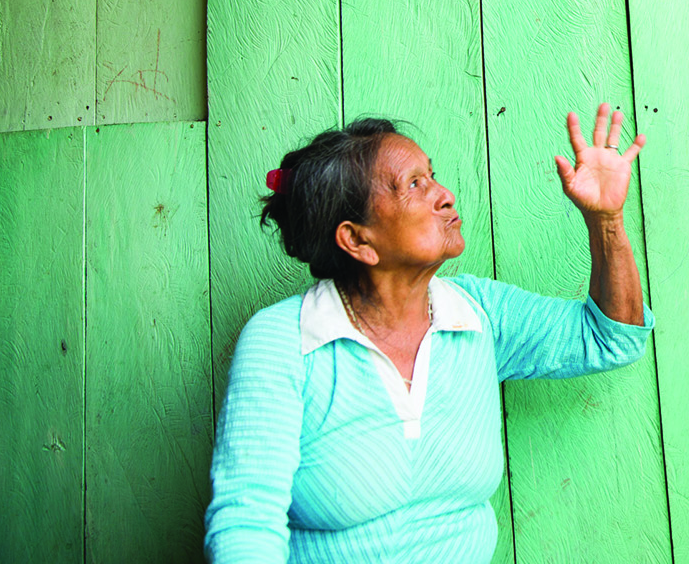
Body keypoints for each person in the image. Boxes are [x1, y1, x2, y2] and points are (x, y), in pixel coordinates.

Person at [204, 103, 653, 563]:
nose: (445, 195)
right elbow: (246, 526)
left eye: (432, 176)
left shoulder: (479, 314)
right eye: (414, 185)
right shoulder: (284, 341)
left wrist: (607, 222)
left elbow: (611, 337)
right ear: (357, 239)